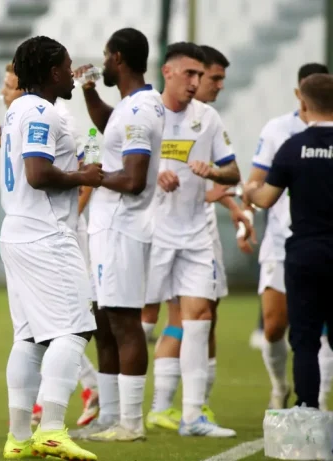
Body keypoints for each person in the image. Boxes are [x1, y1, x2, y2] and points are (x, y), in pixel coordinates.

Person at [0, 65, 101, 428]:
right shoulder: (28, 114)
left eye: (8, 85)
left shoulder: (45, 115)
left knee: (47, 330)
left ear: (24, 84)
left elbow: (85, 170)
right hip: (40, 232)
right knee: (58, 327)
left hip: (48, 231)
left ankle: (34, 418)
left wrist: (71, 219)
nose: (4, 92)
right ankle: (61, 410)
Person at [0, 35, 102, 461]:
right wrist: (83, 177)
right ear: (52, 71)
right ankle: (53, 429)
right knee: (75, 328)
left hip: (17, 231)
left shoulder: (16, 109)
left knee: (29, 337)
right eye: (67, 66)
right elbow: (38, 174)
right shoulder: (42, 111)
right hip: (45, 233)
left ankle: (19, 437)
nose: (72, 74)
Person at [141, 44, 254, 430]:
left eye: (200, 75)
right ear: (168, 72)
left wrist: (213, 172)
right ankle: (123, 407)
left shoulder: (207, 118)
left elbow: (233, 172)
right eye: (191, 74)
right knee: (143, 317)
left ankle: (192, 414)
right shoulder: (144, 112)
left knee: (200, 316)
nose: (198, 82)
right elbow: (117, 165)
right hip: (152, 232)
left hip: (195, 235)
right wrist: (153, 175)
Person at [71, 27, 164, 443]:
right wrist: (89, 91)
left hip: (123, 228)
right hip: (108, 228)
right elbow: (111, 127)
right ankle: (109, 417)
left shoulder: (140, 110)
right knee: (105, 323)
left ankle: (131, 422)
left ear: (119, 59)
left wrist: (94, 176)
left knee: (125, 322)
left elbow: (134, 179)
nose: (103, 62)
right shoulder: (131, 106)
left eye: (107, 56)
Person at [243, 63, 329, 410]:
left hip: (303, 249)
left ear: (303, 99)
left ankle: (312, 407)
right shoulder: (279, 131)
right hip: (287, 244)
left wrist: (249, 194)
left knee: (306, 336)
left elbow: (262, 194)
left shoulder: (295, 146)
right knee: (276, 325)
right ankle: (282, 388)